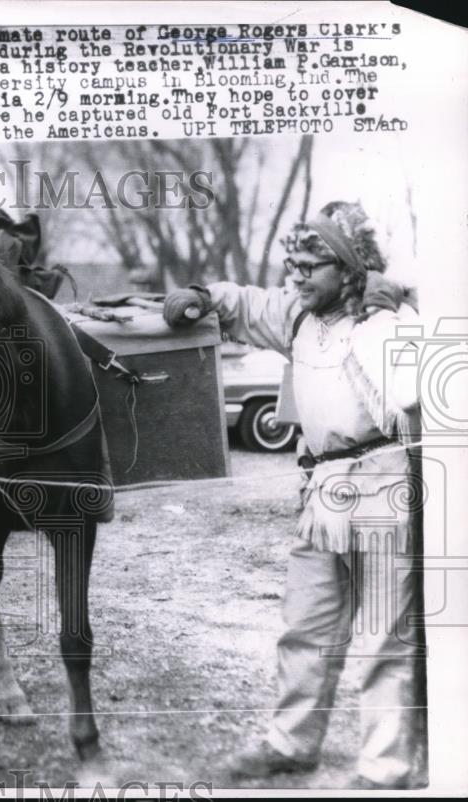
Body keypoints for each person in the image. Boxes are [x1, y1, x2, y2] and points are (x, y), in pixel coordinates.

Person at [163, 201, 426, 790]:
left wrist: (402, 302)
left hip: (385, 482)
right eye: (293, 264)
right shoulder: (297, 317)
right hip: (321, 488)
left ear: (351, 269)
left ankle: (385, 768)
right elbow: (244, 301)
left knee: (387, 633)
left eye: (312, 265)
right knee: (306, 625)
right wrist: (201, 294)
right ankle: (291, 744)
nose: (298, 276)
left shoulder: (387, 315)